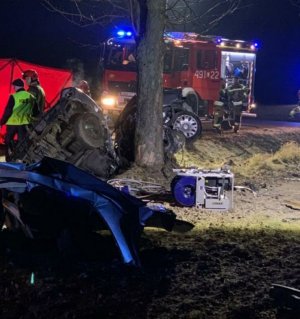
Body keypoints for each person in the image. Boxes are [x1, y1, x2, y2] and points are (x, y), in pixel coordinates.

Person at [0, 78, 35, 159]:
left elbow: (8, 111)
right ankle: (20, 159)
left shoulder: (14, 96)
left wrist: (1, 123)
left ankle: (8, 159)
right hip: (24, 124)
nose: (13, 88)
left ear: (16, 86)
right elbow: (36, 111)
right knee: (22, 143)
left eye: (14, 87)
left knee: (8, 141)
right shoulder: (31, 97)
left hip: (12, 123)